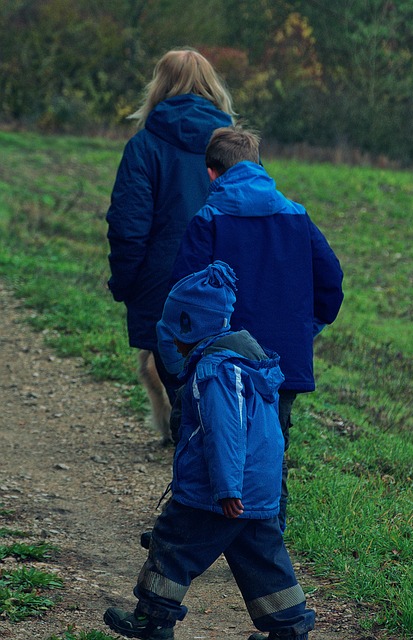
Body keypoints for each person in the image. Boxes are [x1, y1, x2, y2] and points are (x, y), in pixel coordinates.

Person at [104, 261, 316, 640]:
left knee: (173, 544)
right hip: (259, 492)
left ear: (188, 326)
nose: (173, 345)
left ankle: (153, 618)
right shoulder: (249, 364)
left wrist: (226, 487)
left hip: (216, 492)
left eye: (174, 335)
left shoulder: (214, 372)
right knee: (263, 561)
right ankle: (289, 629)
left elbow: (226, 434)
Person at [160, 127, 344, 529]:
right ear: (258, 164)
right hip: (280, 362)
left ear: (211, 173)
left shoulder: (208, 219)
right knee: (270, 448)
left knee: (203, 437)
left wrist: (182, 354)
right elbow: (331, 282)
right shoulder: (296, 215)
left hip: (218, 361)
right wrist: (304, 330)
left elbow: (185, 296)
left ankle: (189, 531)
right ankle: (268, 538)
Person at [105, 48, 234, 440]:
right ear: (213, 86)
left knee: (168, 364)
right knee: (218, 370)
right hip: (222, 281)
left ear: (158, 86)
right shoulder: (237, 148)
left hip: (163, 284)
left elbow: (128, 227)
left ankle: (181, 437)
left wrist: (125, 284)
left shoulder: (144, 146)